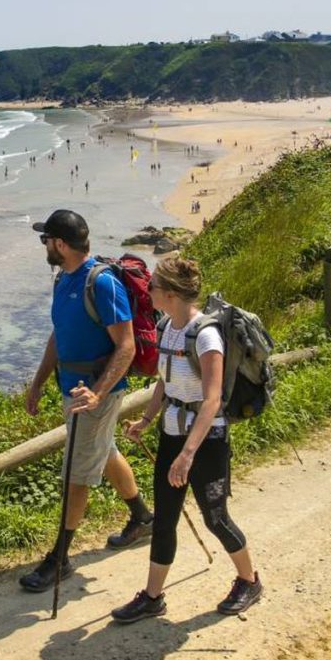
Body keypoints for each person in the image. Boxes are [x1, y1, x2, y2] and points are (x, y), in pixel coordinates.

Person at [110, 254, 261, 623]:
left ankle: (249, 580)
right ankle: (152, 597)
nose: (149, 289)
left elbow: (211, 400)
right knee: (164, 519)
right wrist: (147, 419)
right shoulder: (166, 327)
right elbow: (166, 379)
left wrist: (187, 455)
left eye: (155, 285)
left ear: (172, 294)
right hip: (171, 434)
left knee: (216, 518)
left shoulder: (206, 336)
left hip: (205, 441)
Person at [21, 209, 154, 593]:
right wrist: (38, 382)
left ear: (60, 244)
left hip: (95, 396)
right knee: (105, 451)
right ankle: (143, 518)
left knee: (77, 474)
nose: (44, 245)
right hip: (72, 390)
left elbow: (126, 346)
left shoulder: (102, 283)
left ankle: (59, 559)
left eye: (46, 239)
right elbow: (59, 335)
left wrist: (98, 393)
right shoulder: (63, 279)